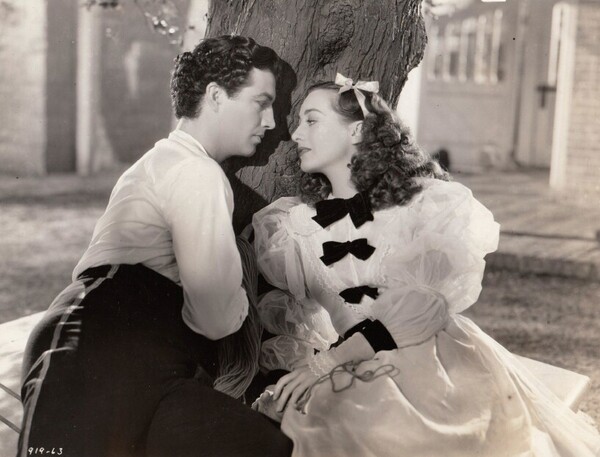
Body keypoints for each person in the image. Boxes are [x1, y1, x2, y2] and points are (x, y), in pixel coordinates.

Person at [250, 74, 600, 456]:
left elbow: (421, 310)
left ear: (356, 131)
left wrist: (327, 365)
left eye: (312, 120)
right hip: (351, 366)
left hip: (433, 360)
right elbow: (303, 323)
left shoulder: (420, 208)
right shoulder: (294, 227)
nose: (297, 134)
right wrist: (307, 369)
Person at [18, 35, 292, 457]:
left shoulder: (162, 163)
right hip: (100, 349)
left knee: (263, 445)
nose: (271, 121)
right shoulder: (195, 171)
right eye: (261, 102)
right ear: (215, 96)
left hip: (139, 358)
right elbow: (216, 316)